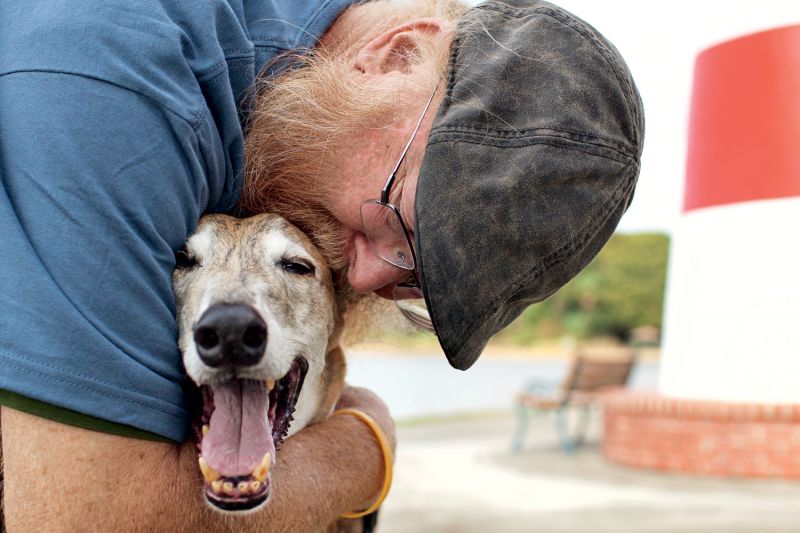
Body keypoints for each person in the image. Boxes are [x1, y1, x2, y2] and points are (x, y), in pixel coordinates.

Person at [0, 0, 643, 530]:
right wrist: (366, 446)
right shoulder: (110, 85)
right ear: (394, 56)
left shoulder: (288, 88)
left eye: (415, 277)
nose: (362, 279)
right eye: (395, 214)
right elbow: (86, 518)